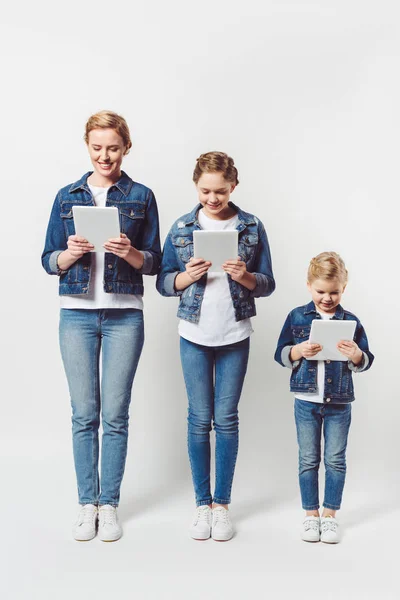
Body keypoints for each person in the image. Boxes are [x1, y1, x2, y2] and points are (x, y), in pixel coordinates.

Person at [41, 110, 161, 542]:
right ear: (87, 147)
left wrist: (129, 252)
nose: (104, 155)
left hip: (125, 315)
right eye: (97, 147)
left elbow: (155, 263)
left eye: (113, 147)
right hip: (75, 314)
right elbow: (48, 259)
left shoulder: (142, 196)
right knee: (83, 414)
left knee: (115, 415)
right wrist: (70, 253)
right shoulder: (66, 196)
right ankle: (85, 503)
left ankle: (109, 505)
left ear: (126, 147)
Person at [157, 151, 275, 541]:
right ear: (196, 186)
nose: (212, 199)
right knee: (198, 419)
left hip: (234, 334)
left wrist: (245, 277)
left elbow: (268, 283)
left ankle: (222, 505)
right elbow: (162, 282)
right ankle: (201, 505)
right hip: (194, 334)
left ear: (233, 187)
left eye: (220, 192)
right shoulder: (181, 226)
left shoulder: (252, 226)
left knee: (225, 421)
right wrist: (184, 278)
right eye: (205, 191)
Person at [274, 252, 374, 543]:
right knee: (308, 458)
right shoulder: (296, 317)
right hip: (306, 400)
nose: (327, 298)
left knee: (335, 459)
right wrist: (297, 351)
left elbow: (366, 358)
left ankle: (330, 516)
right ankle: (310, 515)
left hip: (339, 402)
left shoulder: (351, 321)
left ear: (344, 288)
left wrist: (356, 355)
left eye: (334, 292)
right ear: (308, 286)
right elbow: (281, 352)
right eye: (321, 291)